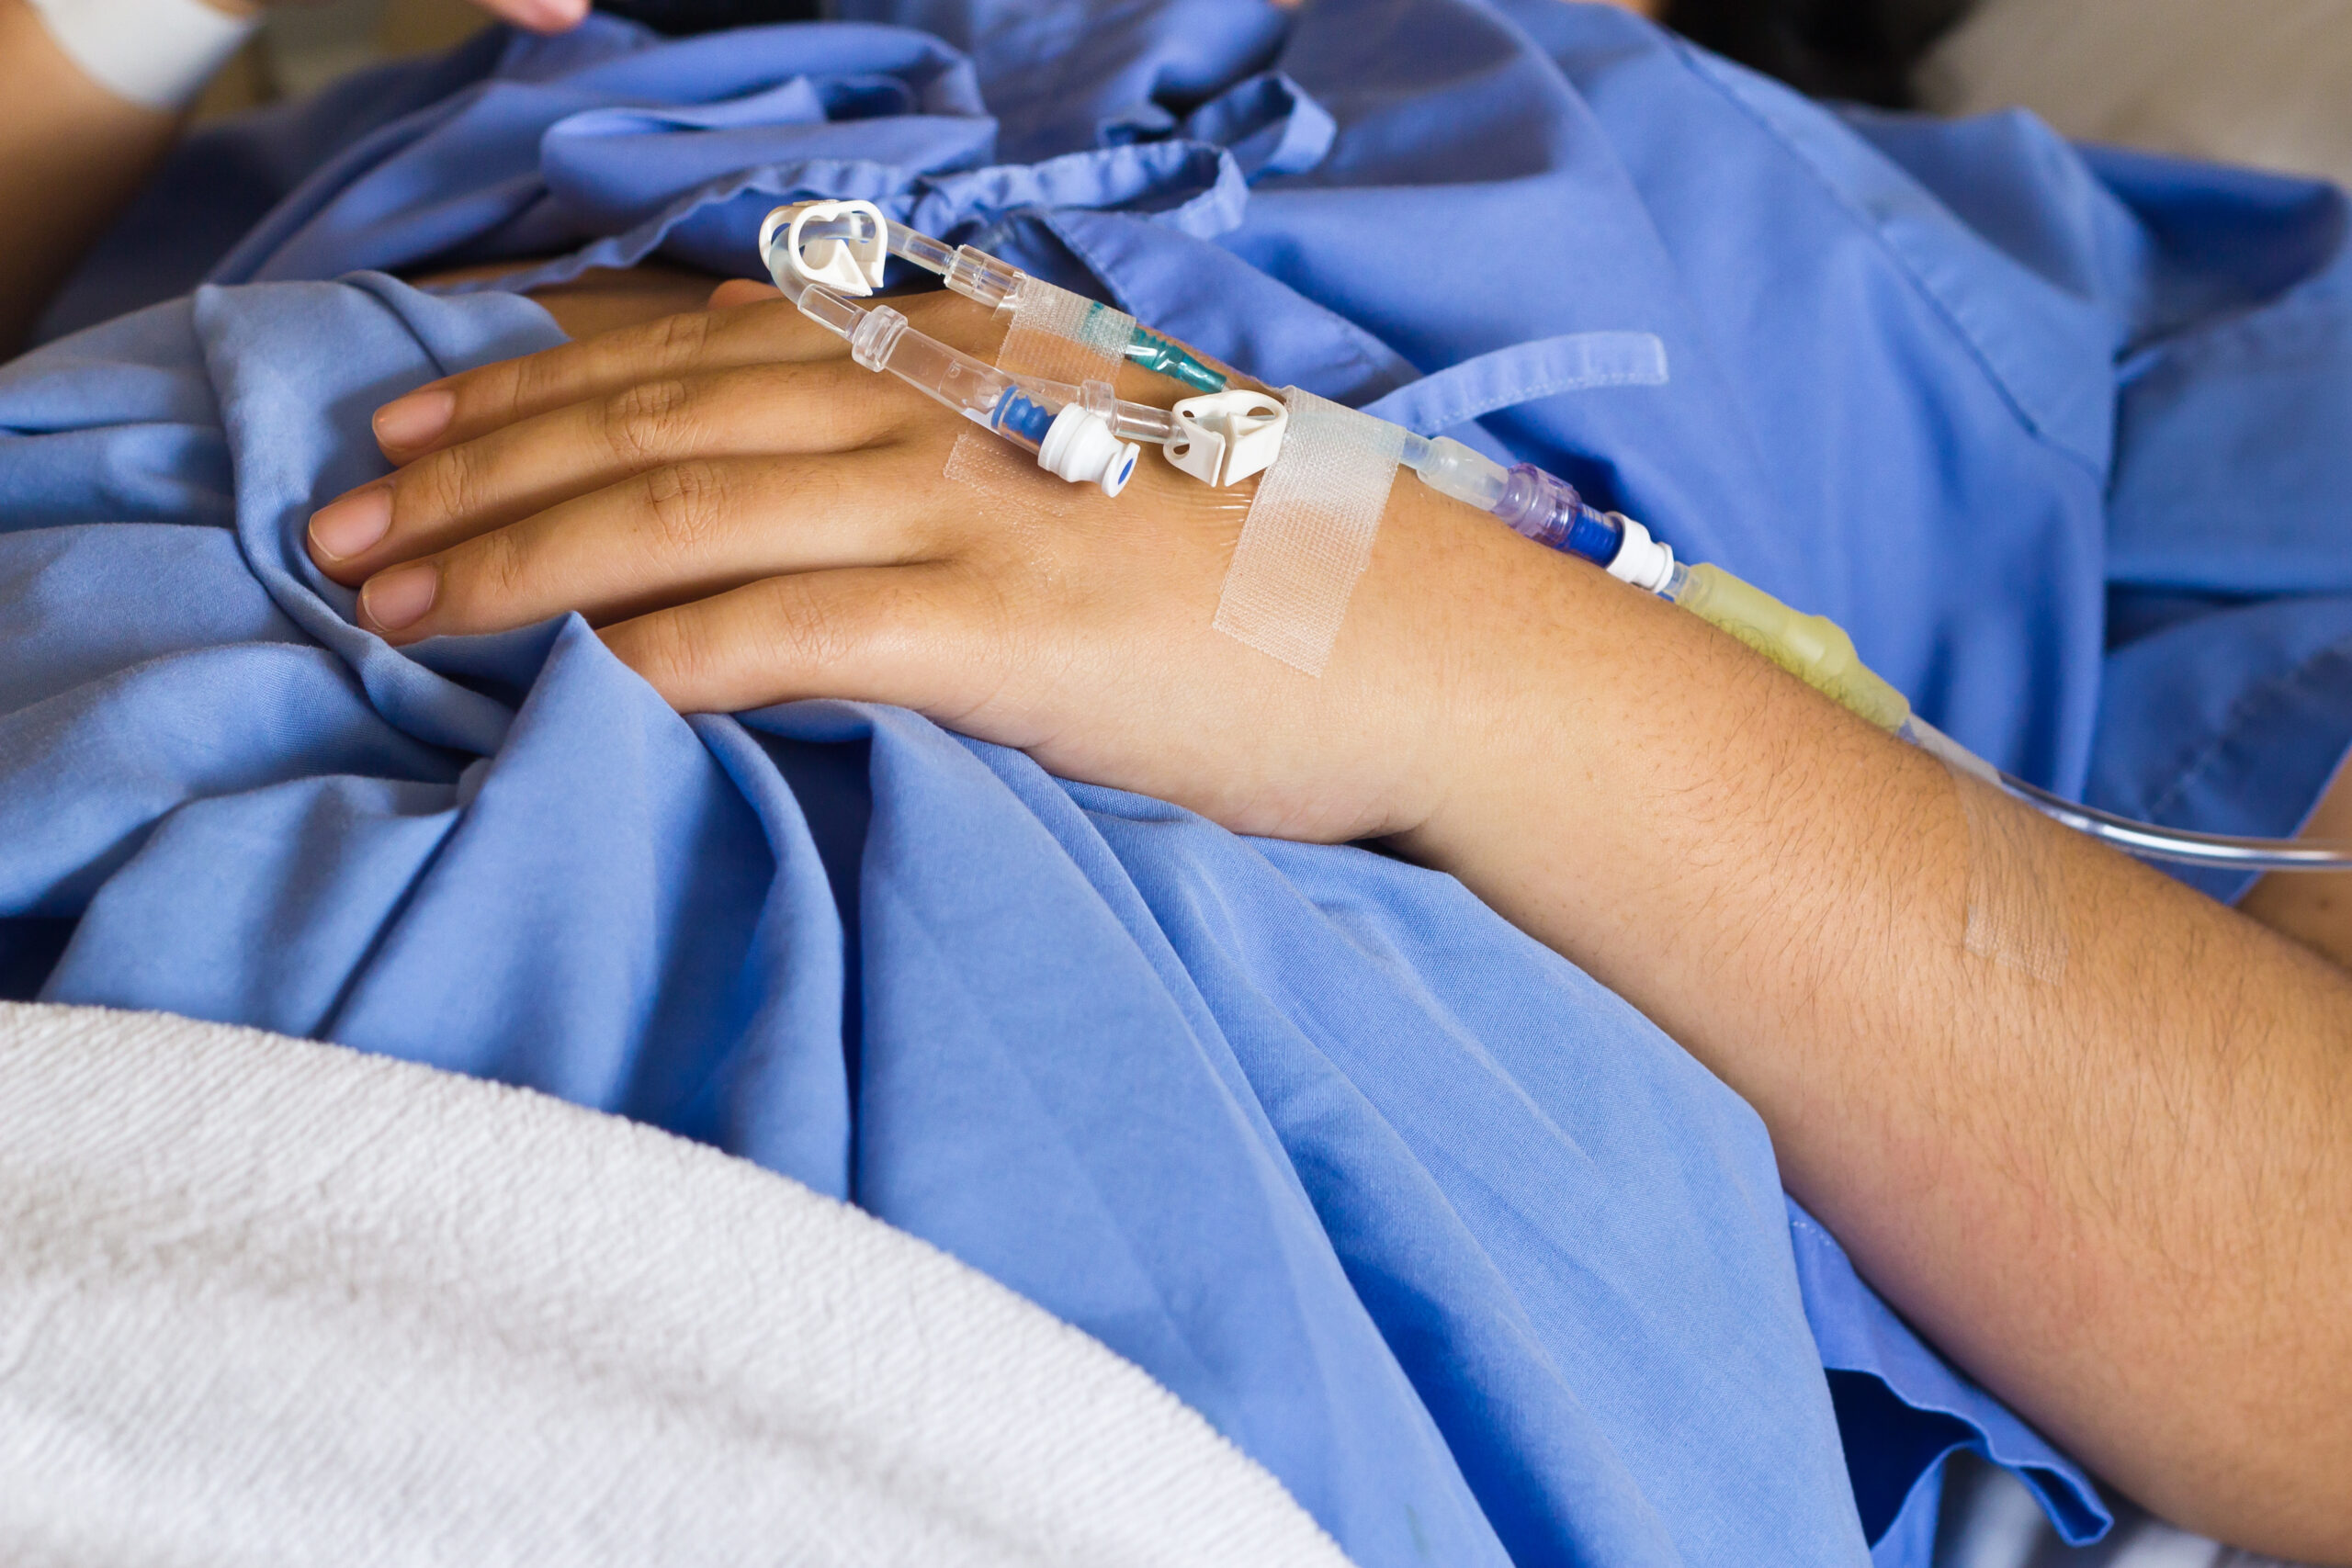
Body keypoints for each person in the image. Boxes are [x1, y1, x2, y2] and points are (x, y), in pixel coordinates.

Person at [3, 0, 2349, 1562]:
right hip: (166, 654)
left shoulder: (2064, 302)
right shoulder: (457, 84)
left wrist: (1401, 616)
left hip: (1133, 1164)